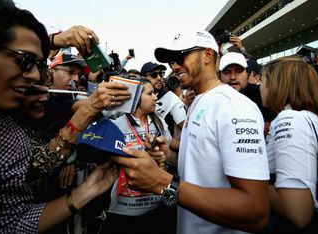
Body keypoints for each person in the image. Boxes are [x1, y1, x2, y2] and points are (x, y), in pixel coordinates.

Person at [112, 30, 270, 234]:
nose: (174, 66)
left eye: (180, 57)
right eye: (171, 61)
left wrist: (162, 182)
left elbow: (255, 211)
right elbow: (202, 168)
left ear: (207, 55)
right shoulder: (199, 101)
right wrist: (167, 155)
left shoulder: (233, 106)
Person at [0, 1, 117, 233]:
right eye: (25, 60)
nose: (32, 76)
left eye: (39, 65)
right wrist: (55, 40)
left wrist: (84, 192)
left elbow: (8, 223)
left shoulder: (6, 135)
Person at [260, 56, 318, 231]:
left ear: (277, 85)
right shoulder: (312, 118)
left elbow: (297, 212)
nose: (260, 87)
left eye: (263, 81)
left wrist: (247, 182)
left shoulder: (291, 118)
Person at [98, 79, 176, 233]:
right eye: (150, 93)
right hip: (124, 210)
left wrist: (164, 155)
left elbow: (170, 156)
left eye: (155, 93)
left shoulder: (160, 123)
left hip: (156, 207)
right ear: (135, 97)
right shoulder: (116, 125)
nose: (155, 97)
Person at [219, 52, 276, 135]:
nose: (233, 77)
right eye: (227, 72)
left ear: (248, 74)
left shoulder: (260, 93)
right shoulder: (212, 99)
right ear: (219, 75)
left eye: (238, 71)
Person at [141, 61, 186, 145]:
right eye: (154, 74)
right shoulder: (134, 99)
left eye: (161, 74)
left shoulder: (171, 99)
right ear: (143, 77)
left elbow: (185, 127)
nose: (159, 78)